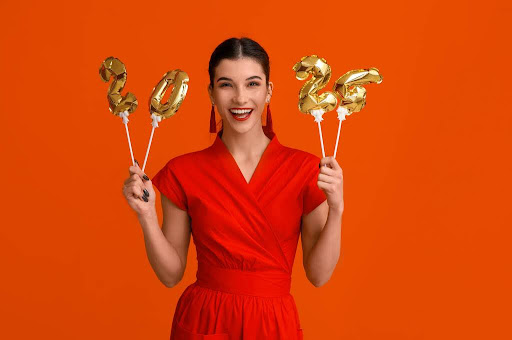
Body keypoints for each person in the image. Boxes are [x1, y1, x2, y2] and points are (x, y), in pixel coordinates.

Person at [122, 37, 344, 340]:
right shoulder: (182, 171)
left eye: (252, 84)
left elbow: (319, 276)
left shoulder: (306, 170)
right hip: (205, 320)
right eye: (226, 85)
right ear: (211, 92)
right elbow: (170, 275)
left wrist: (337, 209)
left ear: (269, 91)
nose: (240, 98)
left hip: (273, 324)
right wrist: (146, 216)